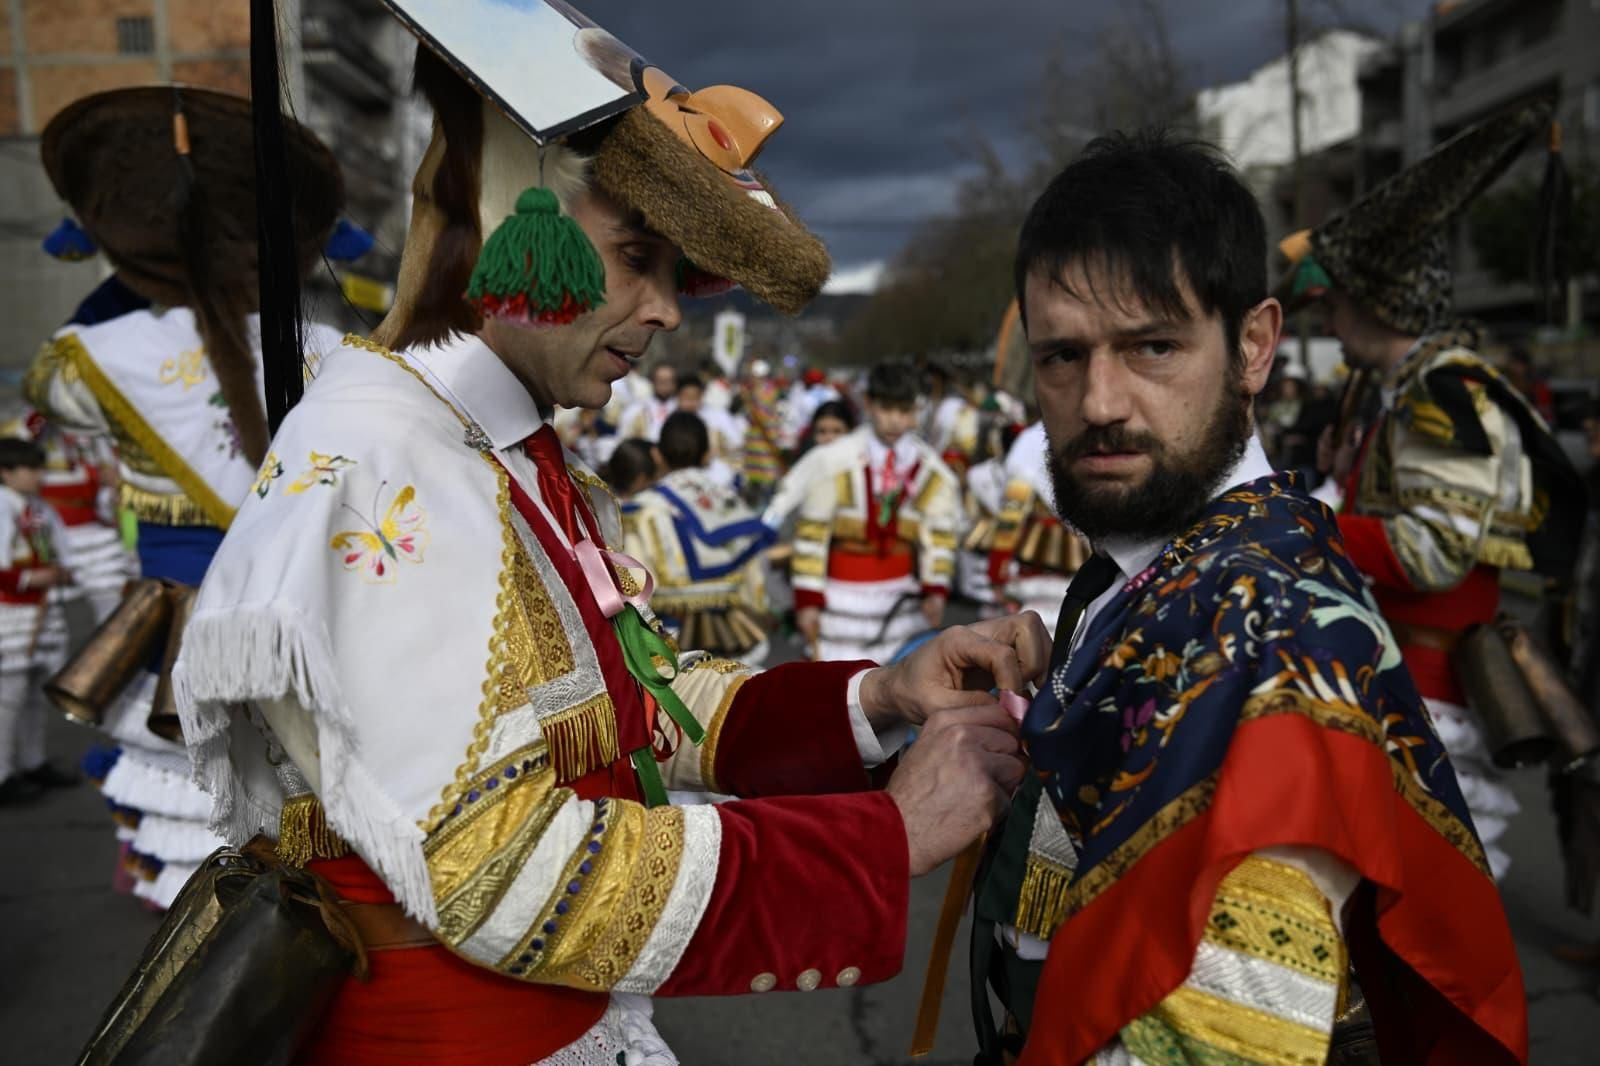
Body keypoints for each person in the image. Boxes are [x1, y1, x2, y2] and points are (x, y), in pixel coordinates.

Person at [174, 5, 1040, 1061]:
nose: (667, 310)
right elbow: (494, 866)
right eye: (637, 254)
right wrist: (883, 836)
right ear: (511, 216)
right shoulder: (390, 457)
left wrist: (876, 696)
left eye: (678, 275)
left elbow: (642, 707)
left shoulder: (502, 450)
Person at [968, 129, 1526, 1066]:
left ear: (1256, 344)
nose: (1099, 400)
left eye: (1152, 346)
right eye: (1061, 357)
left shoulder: (1269, 649)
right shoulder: (1144, 561)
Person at [23, 85, 346, 906]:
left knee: (193, 856)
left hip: (174, 629)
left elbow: (59, 383)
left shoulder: (87, 359)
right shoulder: (336, 352)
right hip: (310, 620)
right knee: (322, 833)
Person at [1285, 100, 1583, 880]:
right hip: (1394, 674)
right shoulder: (1400, 390)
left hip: (1430, 686)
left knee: (1414, 891)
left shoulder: (1440, 396)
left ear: (1380, 300)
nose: (1333, 319)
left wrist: (1306, 522)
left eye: (1340, 301)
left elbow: (1431, 553)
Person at [790, 361, 961, 661]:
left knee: (899, 693)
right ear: (868, 404)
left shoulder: (931, 471)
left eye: (905, 411)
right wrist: (807, 601)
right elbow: (812, 534)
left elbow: (940, 534)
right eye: (887, 409)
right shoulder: (833, 461)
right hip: (839, 603)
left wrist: (936, 589)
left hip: (902, 604)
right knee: (836, 689)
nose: (896, 421)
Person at [624, 411, 774, 664]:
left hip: (669, 643)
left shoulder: (643, 510)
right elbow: (756, 587)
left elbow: (635, 590)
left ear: (657, 455)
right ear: (708, 455)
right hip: (737, 638)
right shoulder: (731, 504)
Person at [0, 438, 74, 804]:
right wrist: (34, 579)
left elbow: (61, 551)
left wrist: (59, 572)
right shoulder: (2, 505)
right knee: (7, 697)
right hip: (9, 612)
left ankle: (31, 761)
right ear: (7, 473)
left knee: (32, 693)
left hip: (40, 611)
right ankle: (2, 774)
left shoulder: (38, 507)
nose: (39, 475)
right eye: (31, 468)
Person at [985, 420, 1087, 636]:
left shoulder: (1028, 444)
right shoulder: (1089, 432)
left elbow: (1010, 517)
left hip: (1035, 561)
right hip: (1085, 558)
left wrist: (997, 569)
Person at [618, 362, 679, 441]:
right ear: (652, 381)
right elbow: (623, 436)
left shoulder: (681, 408)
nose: (664, 384)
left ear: (675, 383)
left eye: (668, 380)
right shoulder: (637, 408)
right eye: (660, 380)